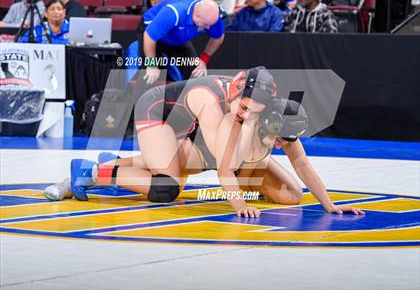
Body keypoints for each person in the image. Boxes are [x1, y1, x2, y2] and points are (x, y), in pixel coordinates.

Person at [47, 67, 364, 217]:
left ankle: (123, 162)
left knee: (291, 196)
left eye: (250, 112)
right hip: (159, 112)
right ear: (237, 93)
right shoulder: (211, 100)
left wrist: (329, 203)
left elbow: (301, 161)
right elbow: (221, 164)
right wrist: (238, 202)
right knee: (167, 187)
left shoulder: (273, 114)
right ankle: (92, 171)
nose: (242, 114)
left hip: (192, 126)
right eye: (242, 108)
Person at [137, 0, 225, 85]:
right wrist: (151, 65)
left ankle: (188, 97)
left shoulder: (211, 16)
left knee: (196, 72)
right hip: (153, 34)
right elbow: (149, 37)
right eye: (205, 24)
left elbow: (218, 36)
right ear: (196, 15)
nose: (208, 28)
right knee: (151, 76)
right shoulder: (174, 12)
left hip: (177, 36)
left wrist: (204, 59)